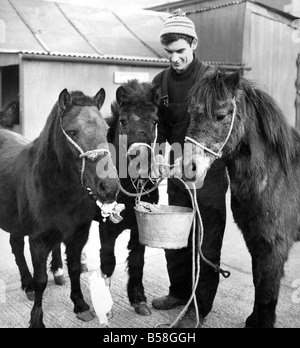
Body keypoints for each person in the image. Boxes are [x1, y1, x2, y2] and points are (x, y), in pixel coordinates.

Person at [151, 9, 229, 328]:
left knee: (206, 242)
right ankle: (178, 292)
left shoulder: (213, 80)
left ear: (194, 44)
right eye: (169, 53)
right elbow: (159, 127)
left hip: (209, 174)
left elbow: (225, 128)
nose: (175, 59)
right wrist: (157, 153)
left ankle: (199, 308)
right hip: (177, 173)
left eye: (181, 51)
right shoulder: (161, 82)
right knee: (177, 237)